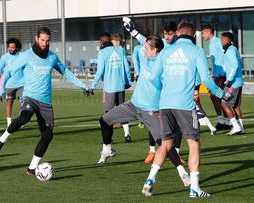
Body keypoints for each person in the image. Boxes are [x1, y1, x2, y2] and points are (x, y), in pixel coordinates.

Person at [140, 21, 225, 198]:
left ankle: (150, 179)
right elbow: (206, 79)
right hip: (184, 105)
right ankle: (194, 189)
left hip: (165, 104)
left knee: (166, 143)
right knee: (193, 143)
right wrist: (221, 93)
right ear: (193, 35)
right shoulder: (197, 51)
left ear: (177, 33)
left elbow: (154, 76)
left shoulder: (166, 51)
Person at [0, 27, 90, 175]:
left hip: (46, 102)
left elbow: (65, 72)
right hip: (30, 97)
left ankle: (32, 168)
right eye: (42, 40)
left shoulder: (52, 57)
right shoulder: (26, 55)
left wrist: (82, 85)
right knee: (24, 118)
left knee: (48, 135)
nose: (45, 43)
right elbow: (8, 71)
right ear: (37, 39)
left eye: (48, 40)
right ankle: (1, 141)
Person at [96, 32, 191, 187]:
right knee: (104, 120)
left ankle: (183, 173)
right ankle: (107, 149)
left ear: (154, 50)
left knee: (165, 144)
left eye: (147, 48)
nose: (143, 50)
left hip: (150, 112)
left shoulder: (163, 64)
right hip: (133, 105)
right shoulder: (146, 57)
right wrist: (133, 31)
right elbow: (143, 41)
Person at [123, 18, 185, 164]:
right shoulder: (162, 46)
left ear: (176, 33)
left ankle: (175, 152)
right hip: (159, 92)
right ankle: (152, 151)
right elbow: (145, 41)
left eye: (170, 34)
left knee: (176, 125)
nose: (167, 37)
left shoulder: (181, 47)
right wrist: (133, 31)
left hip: (174, 89)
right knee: (156, 122)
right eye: (165, 34)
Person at [90, 32, 132, 143]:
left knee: (108, 113)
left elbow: (99, 72)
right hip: (120, 86)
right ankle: (127, 134)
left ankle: (110, 138)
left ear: (102, 41)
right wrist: (127, 81)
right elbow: (126, 67)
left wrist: (92, 86)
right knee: (123, 110)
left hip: (110, 88)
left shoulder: (102, 52)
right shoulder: (120, 50)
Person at [201, 24, 231, 130]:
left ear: (208, 32)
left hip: (222, 75)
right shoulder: (211, 43)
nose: (203, 35)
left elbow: (227, 53)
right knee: (215, 97)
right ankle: (223, 121)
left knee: (216, 96)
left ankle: (226, 121)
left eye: (203, 33)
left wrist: (225, 70)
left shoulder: (218, 41)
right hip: (216, 75)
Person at [0, 38, 24, 127]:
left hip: (22, 84)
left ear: (17, 48)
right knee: (9, 102)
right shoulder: (5, 57)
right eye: (9, 47)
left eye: (13, 47)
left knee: (23, 103)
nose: (11, 49)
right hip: (9, 85)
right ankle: (9, 122)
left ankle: (20, 121)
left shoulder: (22, 56)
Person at [220, 32, 245, 135]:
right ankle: (241, 128)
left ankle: (235, 126)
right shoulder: (233, 49)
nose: (221, 41)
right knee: (235, 106)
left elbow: (235, 65)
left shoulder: (230, 50)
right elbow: (240, 64)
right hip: (237, 82)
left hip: (233, 83)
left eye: (222, 39)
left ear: (227, 40)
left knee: (224, 102)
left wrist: (229, 79)